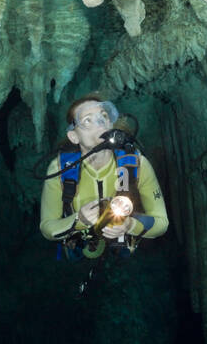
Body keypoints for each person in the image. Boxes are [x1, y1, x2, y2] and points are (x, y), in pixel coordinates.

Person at [39, 93, 167, 259]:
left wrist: (130, 225)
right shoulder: (60, 169)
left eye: (104, 116)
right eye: (87, 120)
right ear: (74, 136)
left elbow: (162, 223)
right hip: (81, 249)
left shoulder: (137, 164)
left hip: (122, 251)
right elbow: (47, 227)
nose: (100, 124)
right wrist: (79, 219)